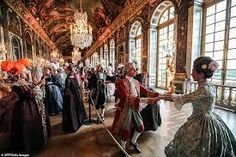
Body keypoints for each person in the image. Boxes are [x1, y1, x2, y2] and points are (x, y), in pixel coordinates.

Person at [164, 56, 236, 157]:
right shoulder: (209, 86)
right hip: (207, 117)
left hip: (203, 122)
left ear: (201, 74)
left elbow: (185, 98)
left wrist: (165, 97)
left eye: (193, 71)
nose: (191, 73)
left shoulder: (204, 90)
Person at [112, 63, 163, 156]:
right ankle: (122, 148)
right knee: (126, 131)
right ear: (127, 71)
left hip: (135, 108)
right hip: (125, 110)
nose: (135, 71)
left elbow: (146, 92)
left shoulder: (136, 82)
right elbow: (127, 97)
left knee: (140, 128)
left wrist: (159, 95)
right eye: (133, 69)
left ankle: (133, 141)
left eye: (135, 69)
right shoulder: (120, 83)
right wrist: (144, 100)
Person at [62, 65, 87, 133]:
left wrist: (64, 93)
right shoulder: (75, 77)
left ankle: (73, 125)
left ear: (69, 70)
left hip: (70, 97)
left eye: (66, 70)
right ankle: (78, 122)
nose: (65, 71)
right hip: (76, 95)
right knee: (76, 109)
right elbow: (77, 86)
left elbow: (67, 89)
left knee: (71, 110)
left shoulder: (68, 78)